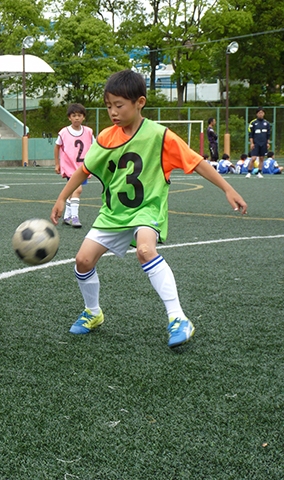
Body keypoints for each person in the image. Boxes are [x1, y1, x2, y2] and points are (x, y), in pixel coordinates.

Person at [50, 69, 247, 349]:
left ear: (139, 102)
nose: (113, 112)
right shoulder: (105, 137)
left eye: (119, 105)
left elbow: (197, 161)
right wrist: (62, 198)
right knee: (82, 261)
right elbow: (84, 170)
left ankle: (178, 318)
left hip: (147, 209)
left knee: (145, 250)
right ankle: (93, 313)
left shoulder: (159, 136)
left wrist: (228, 188)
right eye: (108, 106)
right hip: (113, 213)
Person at [53, 103, 95, 228]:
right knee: (78, 189)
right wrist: (57, 163)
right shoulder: (64, 132)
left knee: (72, 191)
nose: (77, 118)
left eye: (79, 115)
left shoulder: (88, 132)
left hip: (82, 167)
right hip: (69, 166)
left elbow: (95, 147)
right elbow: (57, 147)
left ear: (83, 117)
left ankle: (67, 216)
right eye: (74, 115)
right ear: (69, 118)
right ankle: (74, 217)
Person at [247, 107, 271, 178]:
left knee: (261, 158)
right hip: (256, 143)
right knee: (253, 158)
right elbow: (251, 134)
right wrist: (252, 143)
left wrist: (267, 143)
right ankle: (249, 172)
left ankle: (259, 172)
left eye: (262, 113)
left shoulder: (266, 123)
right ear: (257, 114)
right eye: (259, 113)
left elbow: (268, 134)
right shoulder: (253, 123)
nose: (261, 114)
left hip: (263, 143)